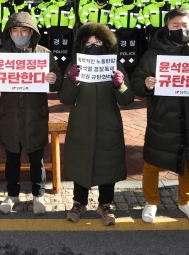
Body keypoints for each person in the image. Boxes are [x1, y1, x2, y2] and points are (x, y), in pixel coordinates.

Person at [131, 8, 189, 224]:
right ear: (167, 28)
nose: (181, 29)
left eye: (185, 25)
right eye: (175, 26)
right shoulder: (153, 55)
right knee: (153, 160)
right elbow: (136, 83)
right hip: (163, 116)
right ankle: (151, 201)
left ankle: (186, 201)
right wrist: (146, 84)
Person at [0, 12, 62, 216]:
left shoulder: (44, 54)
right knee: (12, 158)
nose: (20, 34)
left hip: (35, 115)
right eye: (15, 30)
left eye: (24, 30)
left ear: (32, 32)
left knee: (37, 158)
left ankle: (38, 195)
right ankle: (12, 194)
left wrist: (54, 78)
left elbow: (58, 81)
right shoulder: (1, 55)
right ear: (9, 32)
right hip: (10, 116)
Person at [59, 22, 134, 226]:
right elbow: (64, 98)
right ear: (82, 45)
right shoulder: (75, 64)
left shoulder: (114, 65)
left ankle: (105, 204)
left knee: (107, 163)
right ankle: (79, 202)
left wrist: (120, 85)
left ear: (106, 44)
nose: (93, 45)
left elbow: (128, 98)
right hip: (81, 123)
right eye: (89, 42)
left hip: (107, 123)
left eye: (98, 41)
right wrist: (71, 81)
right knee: (80, 161)